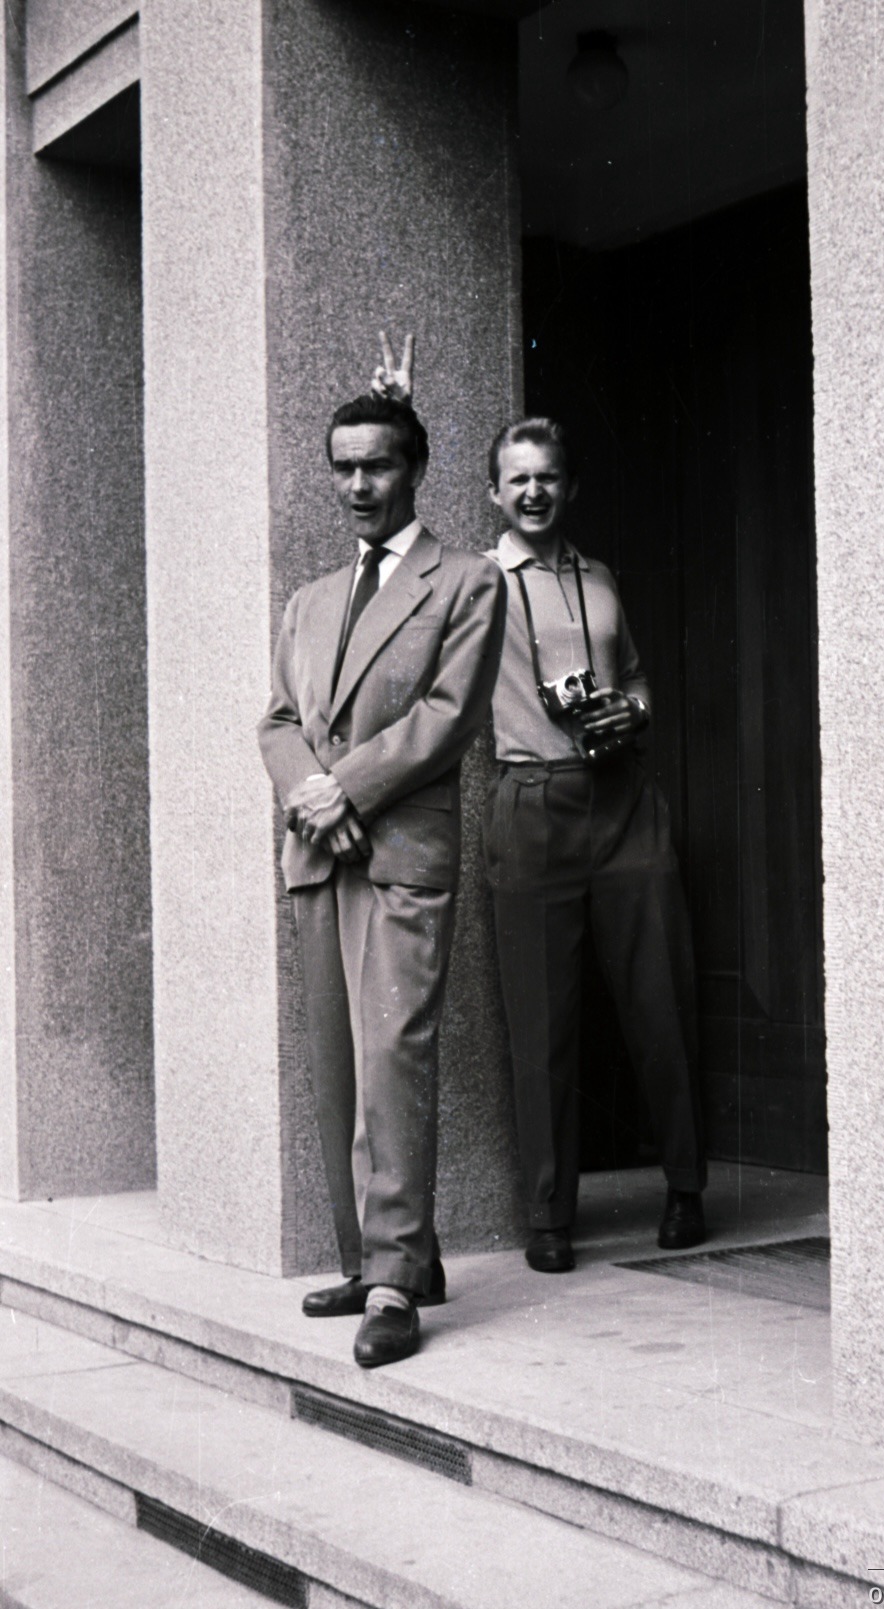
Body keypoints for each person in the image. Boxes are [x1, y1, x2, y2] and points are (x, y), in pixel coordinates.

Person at [257, 353, 506, 1365]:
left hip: (398, 850)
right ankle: (376, 1255)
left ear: (416, 471)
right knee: (337, 1060)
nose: (358, 485)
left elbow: (448, 719)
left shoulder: (468, 582)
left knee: (394, 1056)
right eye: (343, 468)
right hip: (323, 854)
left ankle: (397, 1284)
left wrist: (343, 791)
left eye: (378, 466)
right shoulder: (310, 601)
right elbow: (277, 721)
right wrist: (310, 798)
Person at [480, 417, 707, 1272]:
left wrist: (636, 708)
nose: (533, 491)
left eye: (548, 476)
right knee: (541, 1020)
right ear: (493, 493)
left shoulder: (600, 577)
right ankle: (548, 1213)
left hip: (620, 802)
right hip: (532, 803)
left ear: (568, 487)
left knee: (660, 996)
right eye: (517, 479)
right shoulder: (475, 584)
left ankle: (685, 1186)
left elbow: (638, 672)